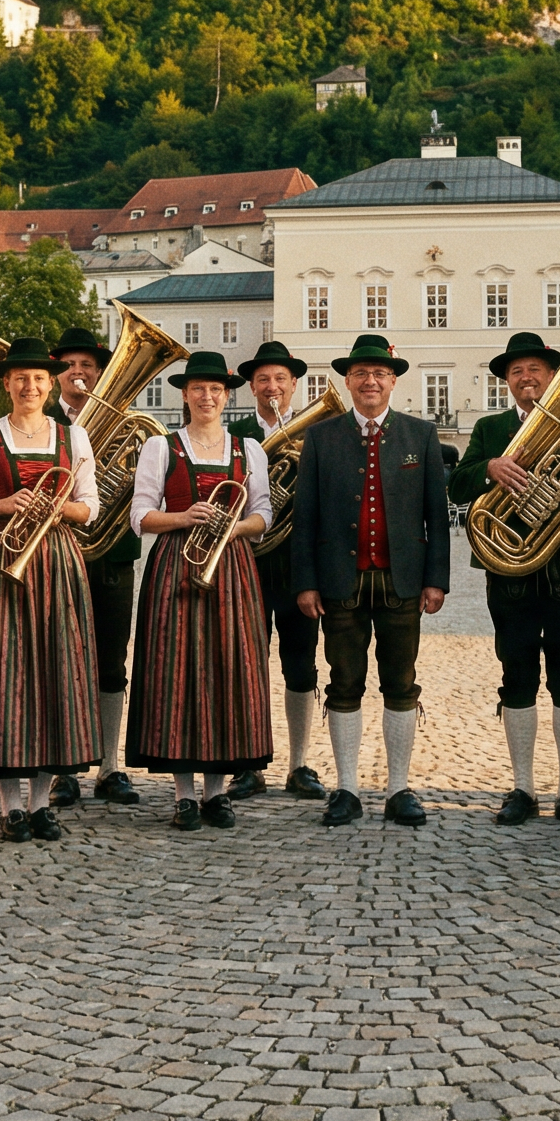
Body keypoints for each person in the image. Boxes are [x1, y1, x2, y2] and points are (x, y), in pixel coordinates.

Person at [289, 334, 454, 827]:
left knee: (401, 684)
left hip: (403, 581)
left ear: (393, 381)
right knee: (344, 684)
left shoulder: (420, 435)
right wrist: (306, 582)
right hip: (340, 580)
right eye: (360, 373)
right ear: (347, 380)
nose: (370, 381)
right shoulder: (321, 437)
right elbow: (305, 516)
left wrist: (436, 579)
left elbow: (437, 515)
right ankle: (347, 789)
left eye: (380, 373)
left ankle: (399, 788)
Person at [0, 339, 105, 841]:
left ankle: (41, 804)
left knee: (54, 674)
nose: (30, 386)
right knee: (5, 675)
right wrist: (2, 505)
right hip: (3, 561)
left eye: (38, 378)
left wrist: (60, 508)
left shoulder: (73, 436)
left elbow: (90, 507)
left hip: (56, 561)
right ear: (6, 383)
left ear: (50, 384)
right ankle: (10, 805)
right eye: (20, 378)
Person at [450, 332, 560, 829]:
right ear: (506, 381)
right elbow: (458, 483)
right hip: (510, 571)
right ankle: (523, 787)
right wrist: (489, 468)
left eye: (535, 368)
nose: (526, 377)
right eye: (516, 371)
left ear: (553, 375)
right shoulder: (491, 428)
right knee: (516, 675)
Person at [128, 351, 276, 828]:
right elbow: (140, 516)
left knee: (227, 669)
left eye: (215, 389)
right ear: (186, 396)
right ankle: (184, 795)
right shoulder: (161, 447)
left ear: (227, 396)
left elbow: (263, 513)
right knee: (177, 671)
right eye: (198, 389)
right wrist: (183, 516)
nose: (207, 396)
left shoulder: (248, 449)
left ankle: (217, 793)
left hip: (231, 566)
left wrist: (234, 529)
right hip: (177, 563)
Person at [225, 341, 327, 801]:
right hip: (245, 561)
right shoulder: (235, 434)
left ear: (293, 385)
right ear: (251, 387)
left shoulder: (315, 432)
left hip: (297, 564)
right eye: (263, 379)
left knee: (301, 665)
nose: (272, 386)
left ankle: (299, 763)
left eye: (280, 379)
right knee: (247, 665)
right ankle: (248, 764)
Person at [51, 325, 142, 806]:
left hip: (112, 554)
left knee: (111, 662)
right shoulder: (39, 420)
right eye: (69, 365)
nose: (78, 372)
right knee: (60, 661)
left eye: (87, 365)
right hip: (57, 554)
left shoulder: (124, 422)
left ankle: (110, 765)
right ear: (56, 374)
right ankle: (62, 769)